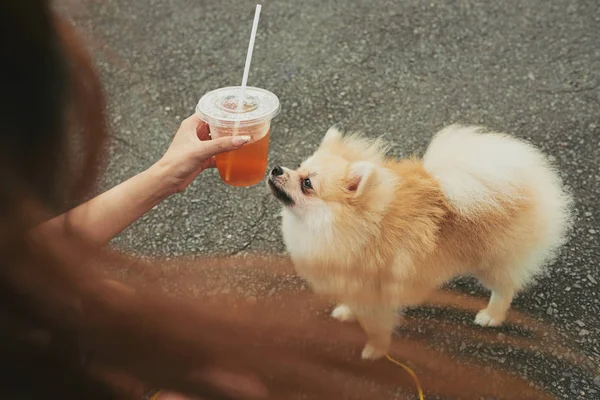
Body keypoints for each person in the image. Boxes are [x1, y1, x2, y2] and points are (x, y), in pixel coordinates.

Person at [0, 1, 567, 399]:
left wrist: (163, 176)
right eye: (300, 175)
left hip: (497, 225)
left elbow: (26, 255)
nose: (286, 175)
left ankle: (501, 297)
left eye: (305, 182)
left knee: (486, 271)